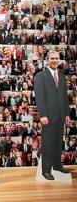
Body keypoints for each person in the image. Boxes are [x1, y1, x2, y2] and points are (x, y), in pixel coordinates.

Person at [34, 50, 70, 180]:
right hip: (47, 116)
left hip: (60, 116)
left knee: (57, 142)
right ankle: (46, 170)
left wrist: (66, 114)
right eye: (52, 58)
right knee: (48, 143)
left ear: (59, 60)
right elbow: (39, 97)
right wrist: (42, 114)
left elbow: (64, 97)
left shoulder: (62, 77)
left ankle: (57, 165)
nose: (54, 60)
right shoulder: (40, 76)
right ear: (47, 60)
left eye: (56, 58)